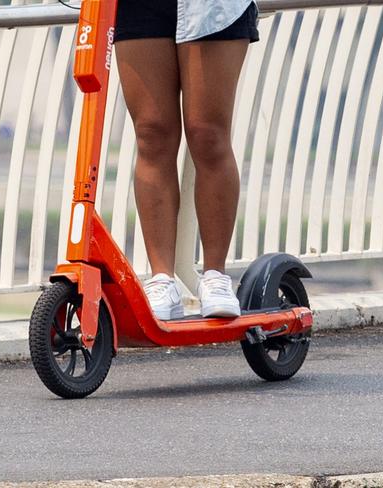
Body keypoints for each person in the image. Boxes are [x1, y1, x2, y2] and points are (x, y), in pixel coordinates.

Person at [114, 1, 259, 320]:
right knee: (151, 134)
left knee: (208, 134)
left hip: (212, 7)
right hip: (137, 7)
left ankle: (215, 276)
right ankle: (162, 279)